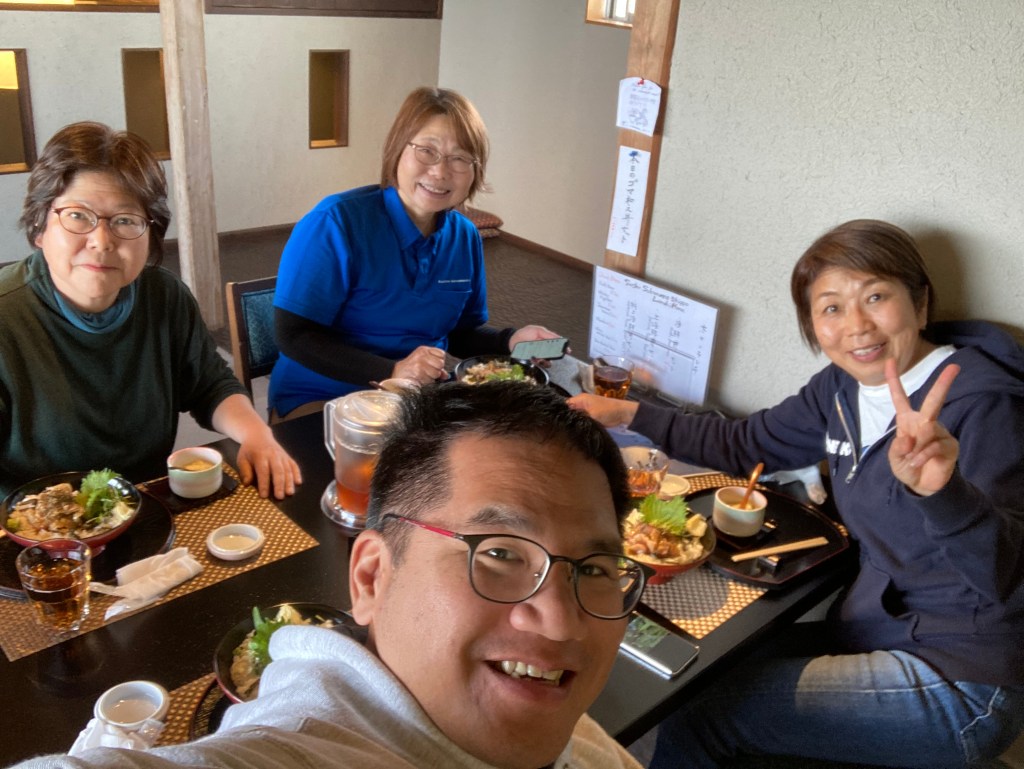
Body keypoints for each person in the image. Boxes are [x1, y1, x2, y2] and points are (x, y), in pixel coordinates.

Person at [571, 219, 1024, 768]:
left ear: (921, 303)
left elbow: (1007, 578)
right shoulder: (842, 387)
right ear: (812, 325)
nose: (857, 326)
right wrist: (627, 413)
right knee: (697, 671)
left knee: (707, 712)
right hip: (878, 630)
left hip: (963, 678)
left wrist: (945, 493)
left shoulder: (983, 403)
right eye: (831, 307)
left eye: (876, 297)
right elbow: (747, 442)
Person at [11, 382, 649, 769]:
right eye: (501, 553)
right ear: (371, 577)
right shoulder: (301, 746)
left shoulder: (568, 727)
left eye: (594, 567)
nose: (560, 621)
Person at [0, 122, 301, 500]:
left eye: (125, 220)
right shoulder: (7, 317)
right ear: (39, 226)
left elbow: (209, 383)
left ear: (151, 235)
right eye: (77, 215)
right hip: (30, 524)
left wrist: (257, 434)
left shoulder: (164, 297)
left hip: (149, 507)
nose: (101, 241)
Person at [268, 86, 561, 419]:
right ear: (397, 149)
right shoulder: (335, 222)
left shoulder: (464, 236)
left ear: (475, 171)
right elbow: (294, 335)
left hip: (416, 401)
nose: (440, 171)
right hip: (323, 397)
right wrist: (393, 371)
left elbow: (460, 334)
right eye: (427, 150)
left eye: (460, 158)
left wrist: (511, 341)